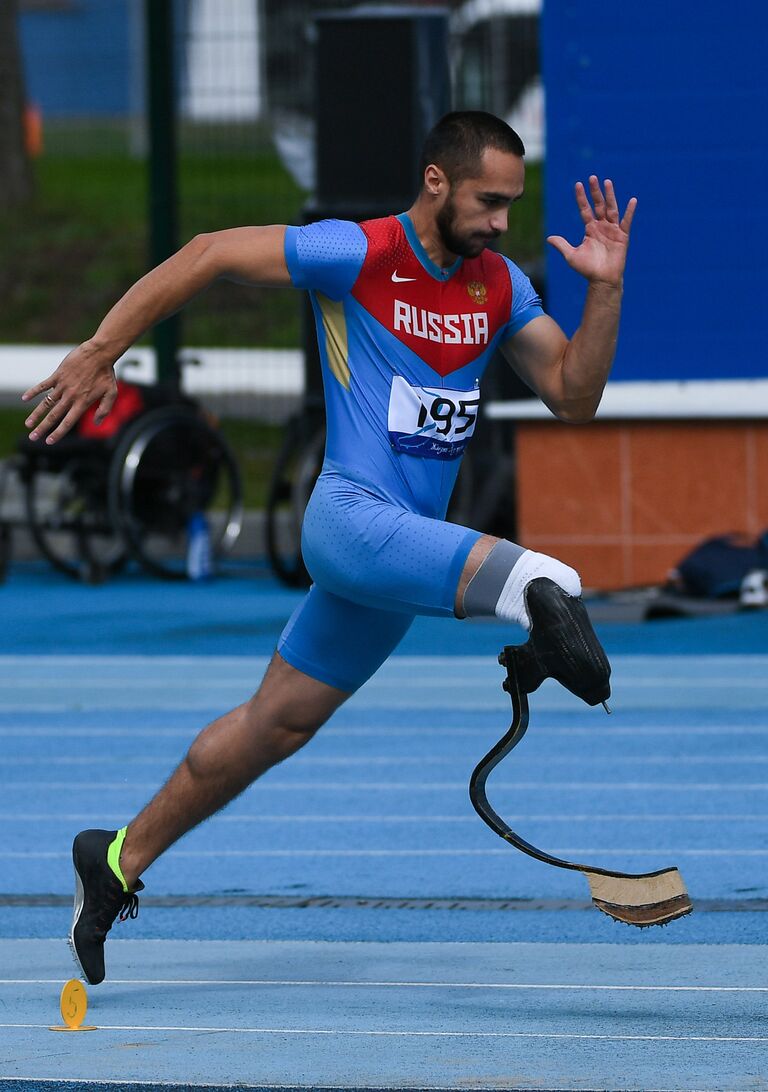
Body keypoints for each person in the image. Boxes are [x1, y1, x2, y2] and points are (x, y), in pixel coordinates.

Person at [23, 111, 635, 985]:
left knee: (275, 725)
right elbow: (204, 253)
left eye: (512, 205)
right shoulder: (357, 252)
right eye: (489, 201)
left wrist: (606, 288)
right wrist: (99, 352)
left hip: (394, 565)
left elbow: (574, 396)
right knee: (547, 579)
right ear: (436, 182)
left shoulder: (498, 286)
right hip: (350, 522)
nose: (503, 221)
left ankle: (115, 857)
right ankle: (533, 611)